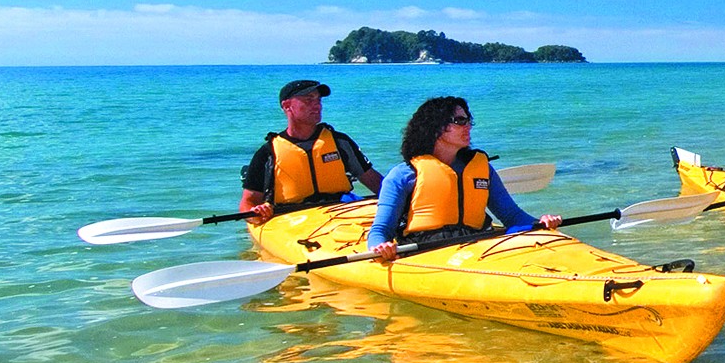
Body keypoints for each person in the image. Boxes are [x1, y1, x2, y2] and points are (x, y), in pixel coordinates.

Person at [367, 96, 561, 262]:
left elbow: (511, 217)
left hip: (477, 246)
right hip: (425, 250)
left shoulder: (482, 168)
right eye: (459, 121)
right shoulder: (403, 175)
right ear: (435, 128)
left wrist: (541, 223)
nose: (468, 126)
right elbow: (381, 230)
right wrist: (380, 247)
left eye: (468, 120)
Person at [240, 79, 385, 221]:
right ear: (287, 106)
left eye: (318, 101)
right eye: (309, 100)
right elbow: (248, 202)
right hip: (290, 216)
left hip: (340, 210)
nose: (317, 106)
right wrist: (256, 214)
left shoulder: (340, 142)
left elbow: (375, 182)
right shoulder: (268, 152)